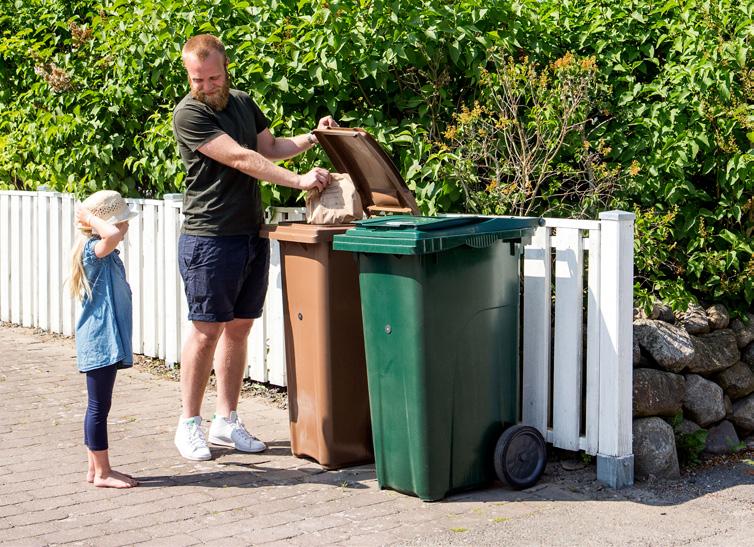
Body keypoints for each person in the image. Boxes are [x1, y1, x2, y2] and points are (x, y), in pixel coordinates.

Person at [171, 33, 336, 461]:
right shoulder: (188, 114)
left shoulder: (242, 102)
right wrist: (299, 181)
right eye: (196, 79)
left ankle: (226, 421)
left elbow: (269, 148)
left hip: (249, 235)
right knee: (207, 330)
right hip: (209, 238)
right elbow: (242, 158)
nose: (205, 86)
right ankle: (190, 424)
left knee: (240, 328)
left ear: (226, 69)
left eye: (212, 77)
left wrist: (314, 139)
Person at [70, 190, 139, 488]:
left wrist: (94, 222)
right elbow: (109, 234)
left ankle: (93, 469)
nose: (125, 227)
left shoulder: (107, 254)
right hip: (99, 339)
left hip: (106, 339)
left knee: (99, 405)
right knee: (99, 407)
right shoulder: (94, 251)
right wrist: (92, 219)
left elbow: (110, 236)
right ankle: (103, 472)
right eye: (122, 222)